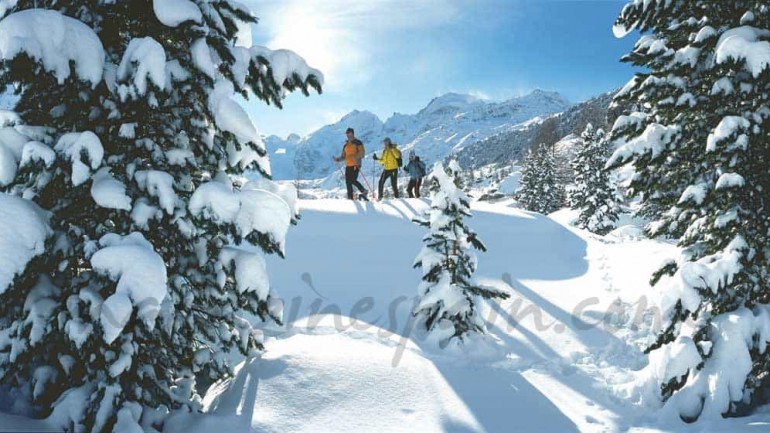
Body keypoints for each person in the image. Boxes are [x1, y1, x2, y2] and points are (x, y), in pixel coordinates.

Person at [332, 127, 368, 200]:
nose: (348, 135)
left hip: (356, 164)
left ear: (352, 133)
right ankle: (350, 198)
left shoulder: (358, 142)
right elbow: (343, 156)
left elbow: (362, 152)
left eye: (349, 133)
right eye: (347, 133)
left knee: (352, 180)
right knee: (348, 182)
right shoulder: (345, 145)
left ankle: (364, 191)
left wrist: (356, 157)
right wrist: (337, 159)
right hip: (348, 165)